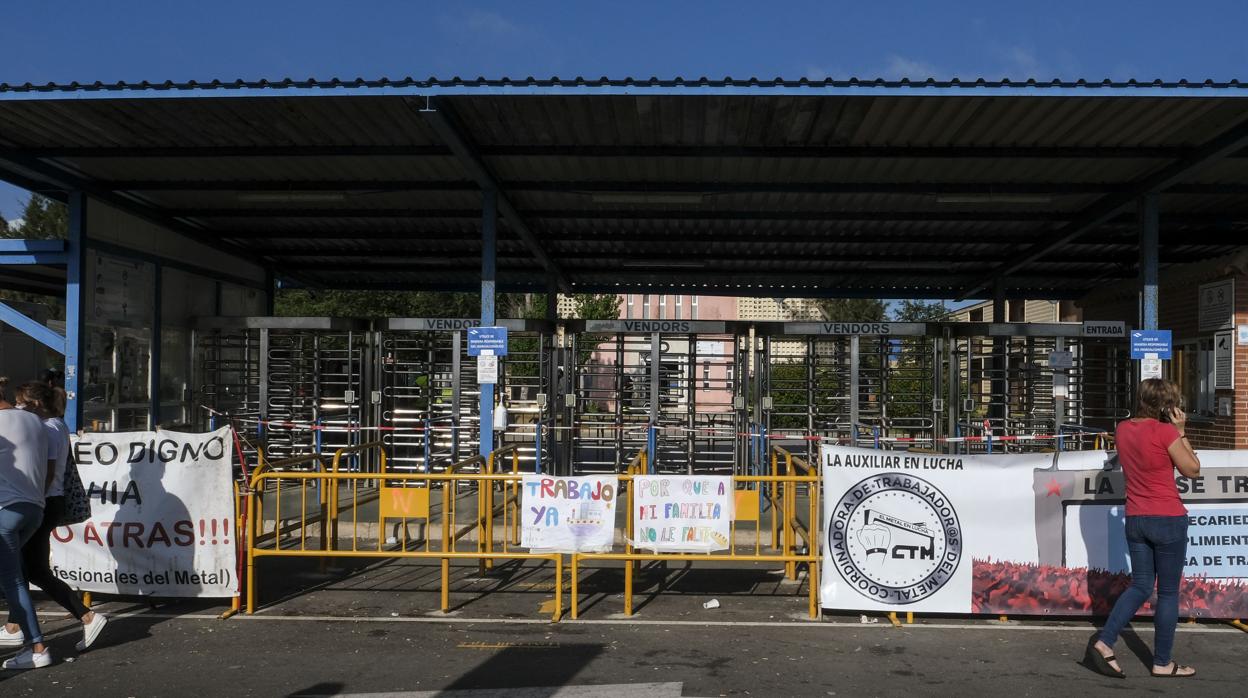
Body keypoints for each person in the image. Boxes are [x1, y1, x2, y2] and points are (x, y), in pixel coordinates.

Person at [1085, 378, 1201, 679]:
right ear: (1167, 405)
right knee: (1167, 593)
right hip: (1168, 517)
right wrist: (1181, 432)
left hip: (1136, 517)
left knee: (1139, 585)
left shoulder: (1122, 429)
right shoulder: (1165, 432)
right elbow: (1192, 469)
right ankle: (1162, 662)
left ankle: (1104, 642)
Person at [0, 383, 107, 655]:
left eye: (23, 402)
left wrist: (34, 495)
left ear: (36, 404)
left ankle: (84, 616)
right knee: (23, 566)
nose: (20, 407)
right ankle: (15, 626)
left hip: (43, 500)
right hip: (43, 502)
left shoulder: (47, 429)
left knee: (30, 570)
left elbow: (45, 472)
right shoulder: (54, 426)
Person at [0, 378, 53, 670]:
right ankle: (19, 633)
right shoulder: (34, 421)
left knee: (13, 580)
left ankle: (37, 647)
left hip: (6, 512)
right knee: (13, 576)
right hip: (34, 510)